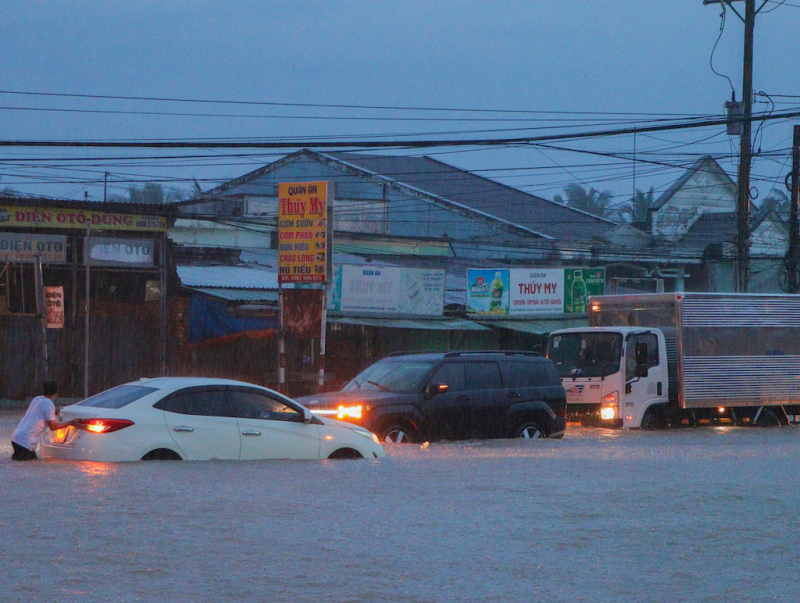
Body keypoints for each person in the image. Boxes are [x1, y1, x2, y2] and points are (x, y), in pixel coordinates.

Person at [11, 381, 74, 461]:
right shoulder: (49, 404)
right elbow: (53, 426)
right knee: (30, 467)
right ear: (57, 392)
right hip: (25, 442)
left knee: (30, 463)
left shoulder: (37, 399)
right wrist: (71, 423)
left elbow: (40, 412)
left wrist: (54, 411)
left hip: (16, 437)